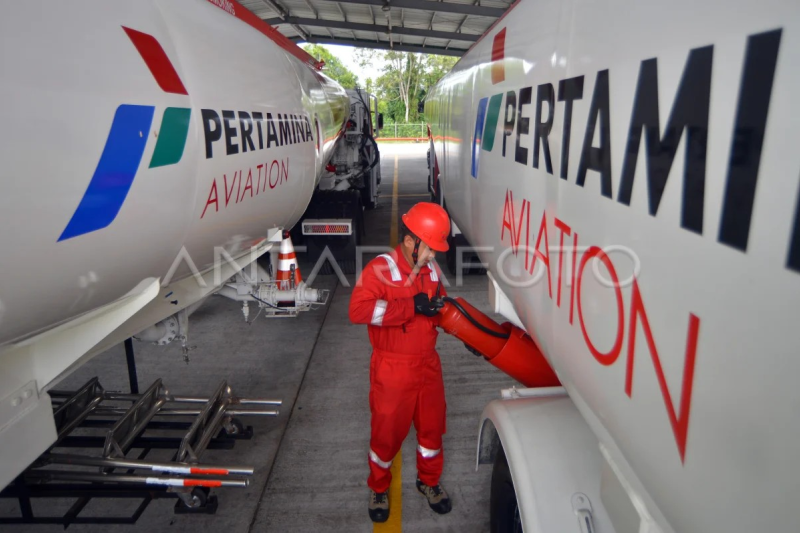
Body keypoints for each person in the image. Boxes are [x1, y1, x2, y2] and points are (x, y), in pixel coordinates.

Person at [349, 202, 453, 523]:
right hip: (393, 368)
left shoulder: (431, 270)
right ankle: (379, 487)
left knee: (432, 430)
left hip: (427, 366)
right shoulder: (380, 270)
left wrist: (462, 329)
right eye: (430, 248)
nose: (434, 256)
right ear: (411, 241)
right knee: (386, 435)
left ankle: (429, 481)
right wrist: (410, 306)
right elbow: (358, 311)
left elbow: (440, 308)